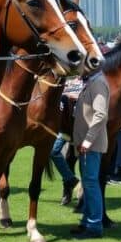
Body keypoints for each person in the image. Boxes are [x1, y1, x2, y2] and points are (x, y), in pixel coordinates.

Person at [70, 69, 109, 239]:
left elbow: (100, 114)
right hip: (85, 145)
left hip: (90, 145)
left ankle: (94, 226)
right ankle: (87, 222)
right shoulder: (92, 82)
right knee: (87, 184)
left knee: (91, 184)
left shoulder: (98, 83)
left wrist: (88, 140)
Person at [51, 75, 83, 205]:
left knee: (78, 160)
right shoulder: (65, 81)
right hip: (65, 128)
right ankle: (70, 184)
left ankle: (82, 195)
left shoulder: (87, 82)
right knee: (53, 151)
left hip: (80, 128)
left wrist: (78, 98)